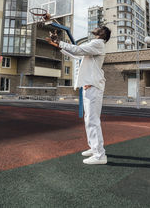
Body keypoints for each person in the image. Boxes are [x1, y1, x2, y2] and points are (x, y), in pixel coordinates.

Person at [46, 26, 111, 165]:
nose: (96, 27)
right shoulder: (94, 46)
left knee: (93, 121)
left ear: (103, 33)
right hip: (90, 86)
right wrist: (59, 46)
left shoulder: (98, 43)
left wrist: (60, 42)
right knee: (89, 120)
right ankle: (94, 149)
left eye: (99, 27)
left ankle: (100, 155)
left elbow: (78, 49)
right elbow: (77, 55)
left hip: (93, 86)